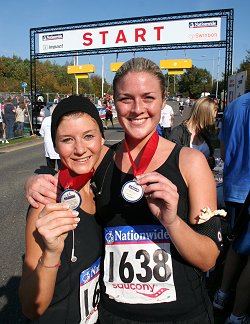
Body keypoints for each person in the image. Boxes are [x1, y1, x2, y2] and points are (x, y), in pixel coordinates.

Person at [25, 58, 223, 323]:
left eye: (148, 97)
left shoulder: (190, 162)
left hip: (181, 315)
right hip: (114, 315)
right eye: (126, 99)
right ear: (114, 103)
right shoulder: (102, 160)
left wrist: (172, 222)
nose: (137, 109)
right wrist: (36, 181)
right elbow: (74, 160)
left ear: (164, 100)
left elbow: (208, 260)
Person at [19, 95, 107, 323]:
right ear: (55, 146)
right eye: (67, 140)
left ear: (102, 139)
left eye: (88, 136)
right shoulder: (46, 203)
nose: (80, 149)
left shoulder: (101, 186)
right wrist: (51, 253)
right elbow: (31, 307)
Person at [213, 91, 250, 324]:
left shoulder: (235, 106)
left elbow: (224, 152)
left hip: (234, 187)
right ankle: (237, 315)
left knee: (237, 245)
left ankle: (222, 294)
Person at [169, 96, 217, 169]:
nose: (214, 121)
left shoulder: (206, 133)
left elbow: (210, 157)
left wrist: (211, 161)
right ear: (205, 116)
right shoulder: (178, 132)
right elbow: (170, 161)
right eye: (212, 118)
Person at [39, 105, 62, 174]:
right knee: (61, 165)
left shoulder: (46, 120)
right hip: (57, 144)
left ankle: (52, 177)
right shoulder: (60, 119)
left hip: (49, 144)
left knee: (50, 165)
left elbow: (42, 132)